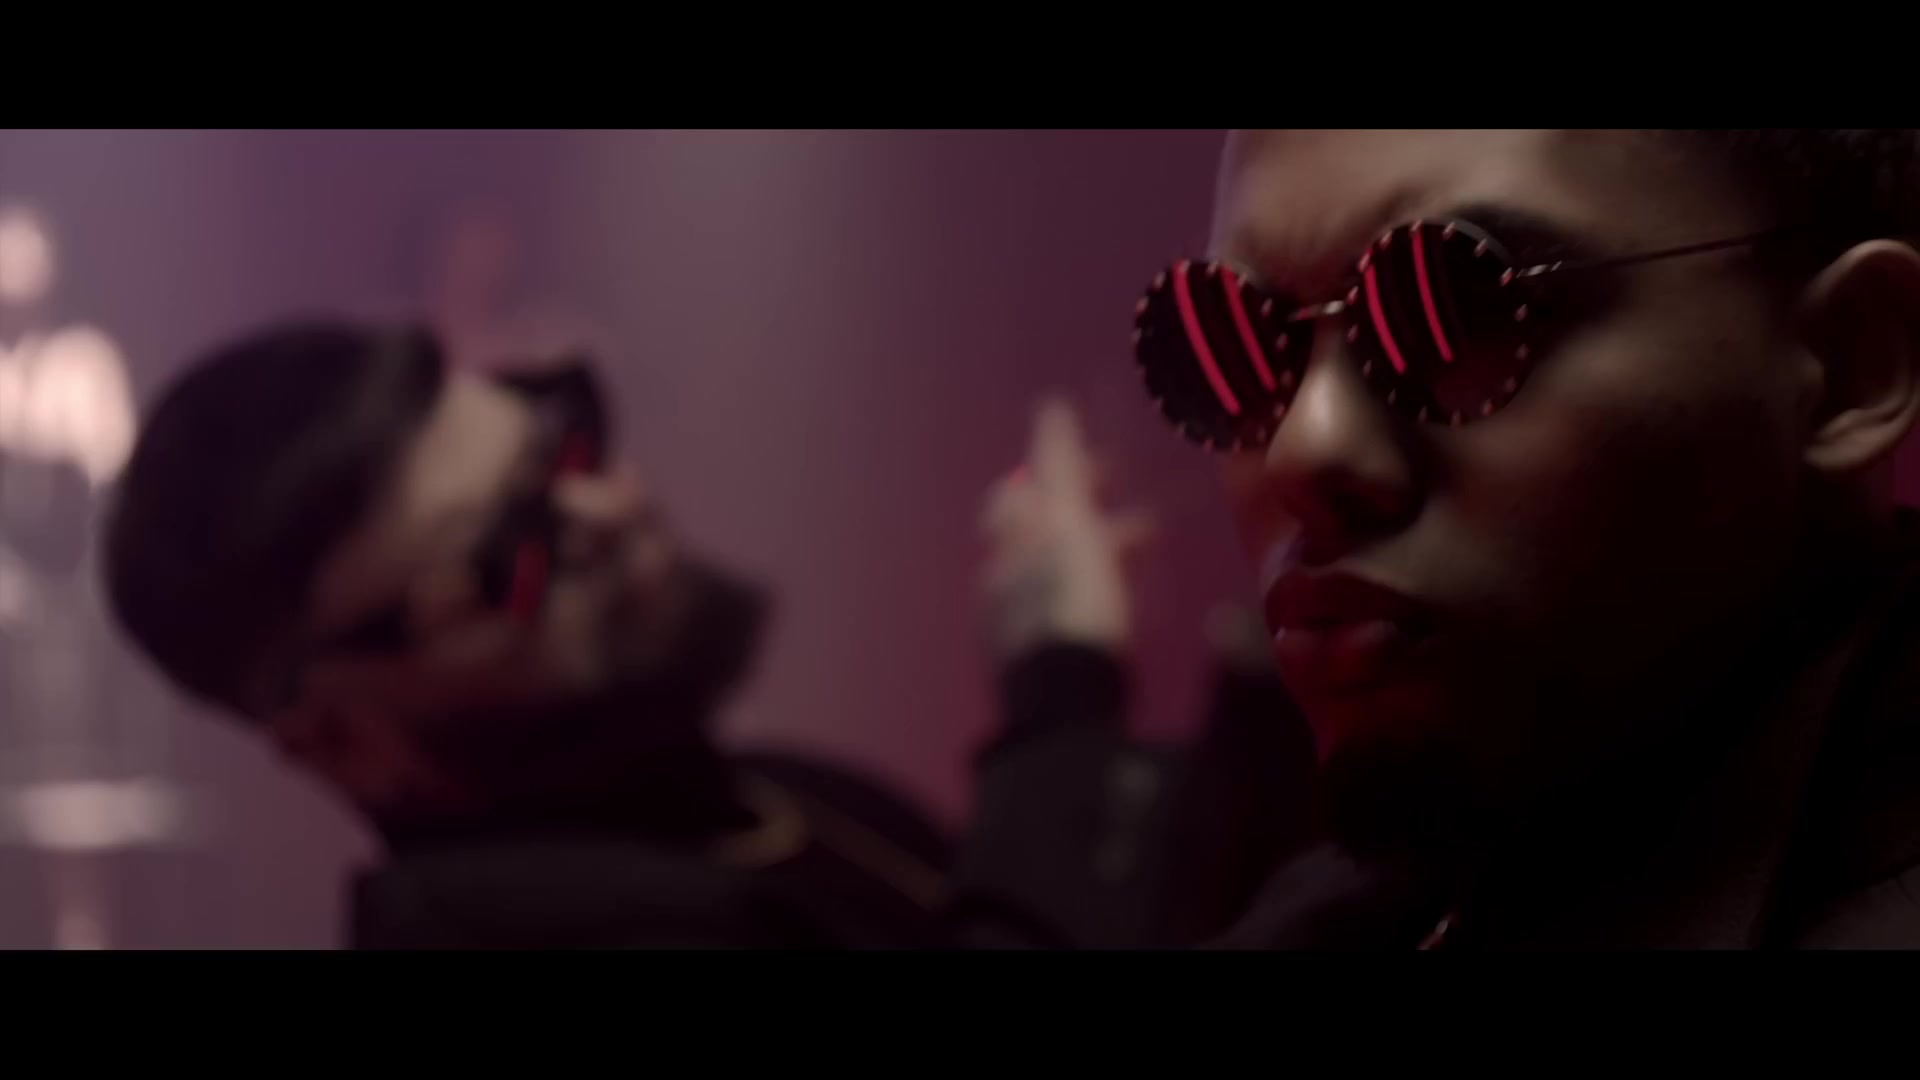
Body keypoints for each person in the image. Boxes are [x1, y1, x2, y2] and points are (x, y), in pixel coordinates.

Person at [102, 320, 1189, 949]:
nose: (611, 511)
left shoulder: (770, 793)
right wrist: (1063, 687)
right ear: (337, 738)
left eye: (568, 445)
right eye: (505, 557)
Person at [1120, 129, 1920, 948]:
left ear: (1852, 363)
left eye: (1458, 307)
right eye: (1238, 338)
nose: (1302, 449)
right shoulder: (1350, 914)